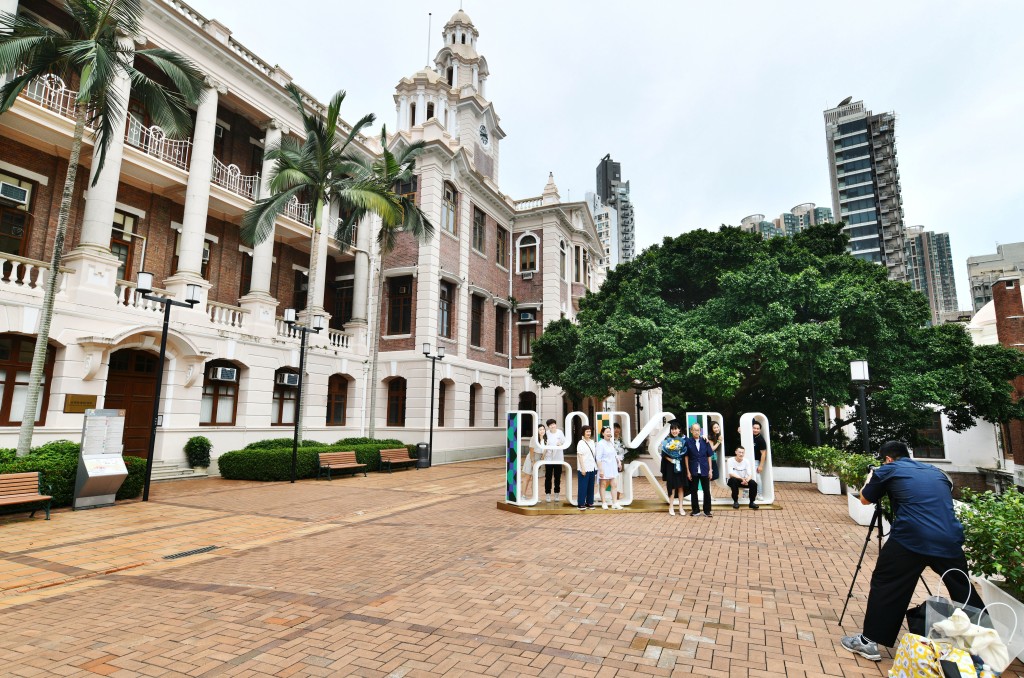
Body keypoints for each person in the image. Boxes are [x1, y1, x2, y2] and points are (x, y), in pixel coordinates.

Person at [840, 441, 982, 662]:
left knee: (888, 583)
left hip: (911, 538)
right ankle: (986, 645)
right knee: (962, 588)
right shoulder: (937, 472)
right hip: (949, 538)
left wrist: (871, 477)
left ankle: (869, 642)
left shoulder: (887, 469)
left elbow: (866, 498)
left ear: (887, 458)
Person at [684, 423, 714, 517]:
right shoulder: (688, 442)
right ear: (691, 431)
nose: (696, 432)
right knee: (694, 491)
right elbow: (686, 457)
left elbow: (709, 456)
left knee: (706, 491)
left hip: (704, 469)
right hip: (693, 469)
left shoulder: (705, 441)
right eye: (694, 430)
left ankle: (707, 511)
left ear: (700, 431)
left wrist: (710, 470)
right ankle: (695, 510)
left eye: (698, 430)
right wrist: (688, 471)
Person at [659, 421, 688, 516]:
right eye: (672, 429)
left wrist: (678, 457)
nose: (674, 431)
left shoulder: (683, 440)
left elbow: (686, 452)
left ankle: (680, 507)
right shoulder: (667, 441)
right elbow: (663, 453)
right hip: (670, 466)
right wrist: (671, 459)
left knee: (680, 486)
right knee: (671, 486)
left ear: (679, 430)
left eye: (676, 429)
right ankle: (671, 506)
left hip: (681, 465)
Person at [596, 426, 623, 509]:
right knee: (603, 485)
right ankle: (604, 503)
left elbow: (615, 454)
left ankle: (615, 502)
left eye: (609, 432)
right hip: (604, 467)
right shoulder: (600, 444)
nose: (609, 433)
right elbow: (598, 458)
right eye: (607, 432)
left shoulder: (611, 443)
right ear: (603, 433)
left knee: (614, 484)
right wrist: (601, 470)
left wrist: (619, 462)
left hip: (612, 467)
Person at [575, 425, 598, 510]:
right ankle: (581, 503)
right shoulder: (581, 442)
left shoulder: (592, 442)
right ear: (583, 433)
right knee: (583, 486)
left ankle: (589, 502)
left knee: (591, 486)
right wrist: (583, 468)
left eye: (589, 431)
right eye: (587, 431)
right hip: (584, 468)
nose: (588, 433)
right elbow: (580, 456)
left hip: (592, 467)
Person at [544, 418, 566, 503]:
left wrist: (560, 444)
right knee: (548, 476)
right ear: (548, 427)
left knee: (557, 477)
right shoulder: (546, 433)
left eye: (554, 424)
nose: (552, 426)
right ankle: (548, 494)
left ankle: (557, 493)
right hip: (549, 458)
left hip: (558, 458)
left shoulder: (560, 432)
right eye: (550, 425)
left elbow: (564, 442)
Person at [524, 424, 547, 499]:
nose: (542, 431)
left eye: (543, 429)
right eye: (540, 429)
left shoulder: (546, 439)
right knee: (528, 477)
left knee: (535, 478)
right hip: (532, 457)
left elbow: (545, 451)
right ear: (537, 430)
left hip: (540, 459)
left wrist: (541, 460)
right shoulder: (534, 438)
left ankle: (535, 496)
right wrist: (533, 461)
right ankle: (523, 495)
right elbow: (531, 450)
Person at [751, 420, 768, 499]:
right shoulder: (749, 436)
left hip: (755, 461)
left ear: (760, 430)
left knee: (757, 478)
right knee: (746, 477)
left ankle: (760, 494)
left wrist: (761, 466)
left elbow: (763, 453)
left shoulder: (760, 439)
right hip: (747, 460)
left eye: (757, 429)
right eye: (754, 428)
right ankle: (746, 494)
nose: (755, 430)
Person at [613, 423, 627, 500]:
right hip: (612, 462)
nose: (617, 430)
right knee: (613, 478)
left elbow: (624, 451)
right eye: (615, 428)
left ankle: (617, 496)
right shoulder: (610, 440)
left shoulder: (621, 439)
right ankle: (613, 496)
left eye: (618, 428)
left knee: (620, 478)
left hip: (621, 461)